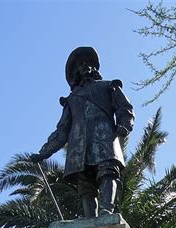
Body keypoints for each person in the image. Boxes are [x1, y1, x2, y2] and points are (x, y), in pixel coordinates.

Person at [31, 46, 135, 218]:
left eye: (89, 63)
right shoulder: (71, 100)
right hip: (79, 146)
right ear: (76, 72)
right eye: (81, 64)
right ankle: (89, 219)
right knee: (85, 185)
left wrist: (124, 125)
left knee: (108, 172)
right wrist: (44, 152)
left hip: (104, 139)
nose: (86, 66)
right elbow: (62, 130)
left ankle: (106, 212)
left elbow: (125, 108)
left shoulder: (109, 86)